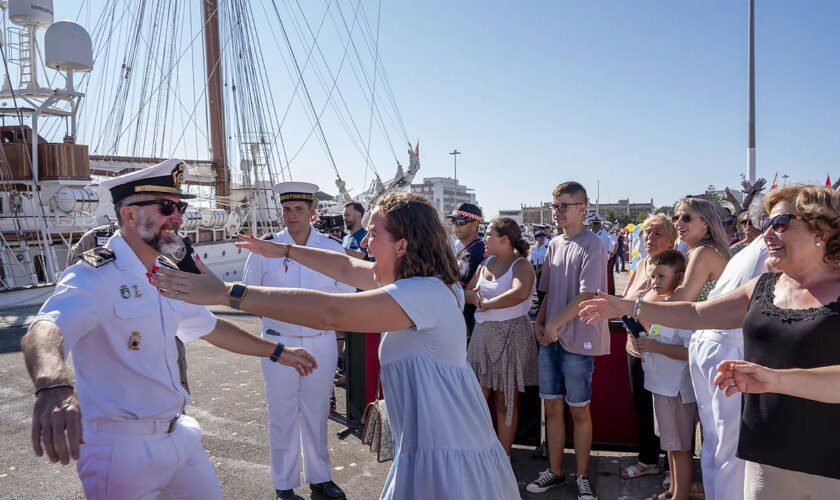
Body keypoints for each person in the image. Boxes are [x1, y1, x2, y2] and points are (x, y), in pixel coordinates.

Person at [150, 192, 520, 500]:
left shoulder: (422, 293)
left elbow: (331, 312)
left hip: (445, 451)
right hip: (434, 443)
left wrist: (227, 293)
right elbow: (345, 269)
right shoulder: (427, 281)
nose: (365, 243)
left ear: (402, 245)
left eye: (374, 234)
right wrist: (284, 251)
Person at [20, 159, 317, 500]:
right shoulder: (94, 276)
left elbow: (211, 327)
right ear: (129, 215)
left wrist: (279, 352)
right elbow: (44, 330)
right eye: (165, 208)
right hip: (121, 450)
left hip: (180, 437)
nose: (177, 217)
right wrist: (53, 385)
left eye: (180, 207)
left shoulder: (165, 272)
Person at [579, 184, 840, 500]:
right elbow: (696, 313)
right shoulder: (764, 286)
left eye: (780, 223)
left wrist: (776, 380)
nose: (767, 233)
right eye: (767, 223)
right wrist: (627, 306)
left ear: (821, 230)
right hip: (765, 455)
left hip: (828, 461)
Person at [243, 182, 355, 500]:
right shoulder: (264, 249)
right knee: (282, 415)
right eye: (287, 210)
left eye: (299, 210)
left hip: (320, 341)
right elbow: (249, 296)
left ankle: (320, 478)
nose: (292, 216)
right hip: (279, 344)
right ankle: (284, 484)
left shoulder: (331, 249)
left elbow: (345, 295)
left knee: (317, 413)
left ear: (312, 212)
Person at [526, 181, 606, 500]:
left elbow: (586, 294)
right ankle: (556, 471)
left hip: (577, 340)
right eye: (554, 206)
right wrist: (541, 323)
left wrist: (553, 325)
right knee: (553, 408)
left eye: (563, 206)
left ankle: (582, 476)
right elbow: (549, 292)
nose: (557, 212)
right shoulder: (555, 244)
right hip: (551, 338)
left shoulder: (593, 245)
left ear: (582, 209)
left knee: (579, 410)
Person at [464, 217, 538, 455]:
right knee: (475, 399)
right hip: (483, 336)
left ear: (504, 240)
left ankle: (503, 458)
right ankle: (477, 453)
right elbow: (467, 291)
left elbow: (520, 293)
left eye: (489, 234)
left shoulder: (521, 265)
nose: (485, 238)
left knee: (505, 401)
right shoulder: (485, 263)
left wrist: (486, 304)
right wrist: (474, 298)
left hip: (510, 335)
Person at [619, 215, 678, 482]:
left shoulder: (679, 266)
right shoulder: (641, 264)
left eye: (657, 234)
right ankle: (648, 459)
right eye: (647, 233)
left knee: (670, 410)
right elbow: (628, 300)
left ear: (671, 238)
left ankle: (673, 468)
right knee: (643, 406)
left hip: (665, 350)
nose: (649, 239)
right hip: (636, 348)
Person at [634, 250, 696, 500]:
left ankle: (680, 495)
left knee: (680, 447)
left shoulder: (682, 310)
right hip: (662, 387)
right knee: (671, 445)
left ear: (679, 277)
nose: (654, 282)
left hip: (676, 390)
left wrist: (655, 346)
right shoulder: (665, 306)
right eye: (652, 276)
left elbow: (690, 352)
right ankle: (673, 491)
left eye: (661, 276)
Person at [447, 202, 486, 340]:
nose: (455, 226)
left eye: (460, 221)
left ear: (475, 224)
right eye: (453, 221)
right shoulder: (467, 249)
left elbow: (458, 290)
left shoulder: (476, 252)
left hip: (470, 321)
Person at [531, 229, 550, 306]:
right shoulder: (534, 247)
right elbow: (532, 259)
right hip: (535, 269)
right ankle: (539, 305)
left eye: (543, 236)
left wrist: (539, 270)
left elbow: (546, 260)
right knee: (537, 289)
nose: (542, 238)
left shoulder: (546, 247)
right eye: (540, 237)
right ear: (536, 238)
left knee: (542, 289)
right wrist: (532, 269)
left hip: (542, 269)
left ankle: (541, 307)